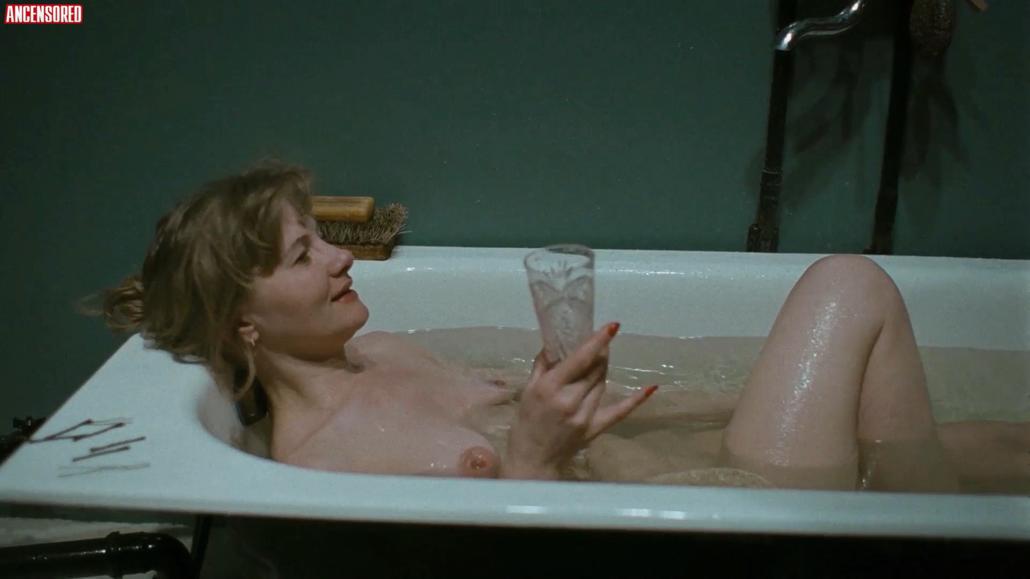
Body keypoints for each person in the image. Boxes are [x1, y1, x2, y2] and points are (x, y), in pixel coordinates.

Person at [95, 160, 1028, 493]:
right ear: (242, 323)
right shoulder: (315, 465)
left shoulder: (382, 351)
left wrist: (726, 396)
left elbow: (581, 423)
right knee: (847, 286)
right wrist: (534, 456)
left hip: (702, 478)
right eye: (305, 253)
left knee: (978, 442)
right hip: (722, 520)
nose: (342, 257)